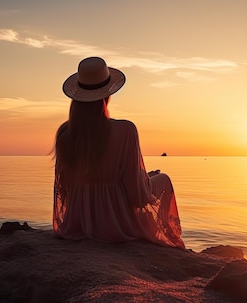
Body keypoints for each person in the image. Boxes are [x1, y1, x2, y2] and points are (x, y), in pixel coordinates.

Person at [53, 56, 185, 249]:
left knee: (151, 179)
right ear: (107, 95)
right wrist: (146, 180)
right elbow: (137, 195)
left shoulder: (65, 133)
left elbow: (63, 189)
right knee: (163, 179)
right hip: (116, 225)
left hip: (77, 222)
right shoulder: (125, 130)